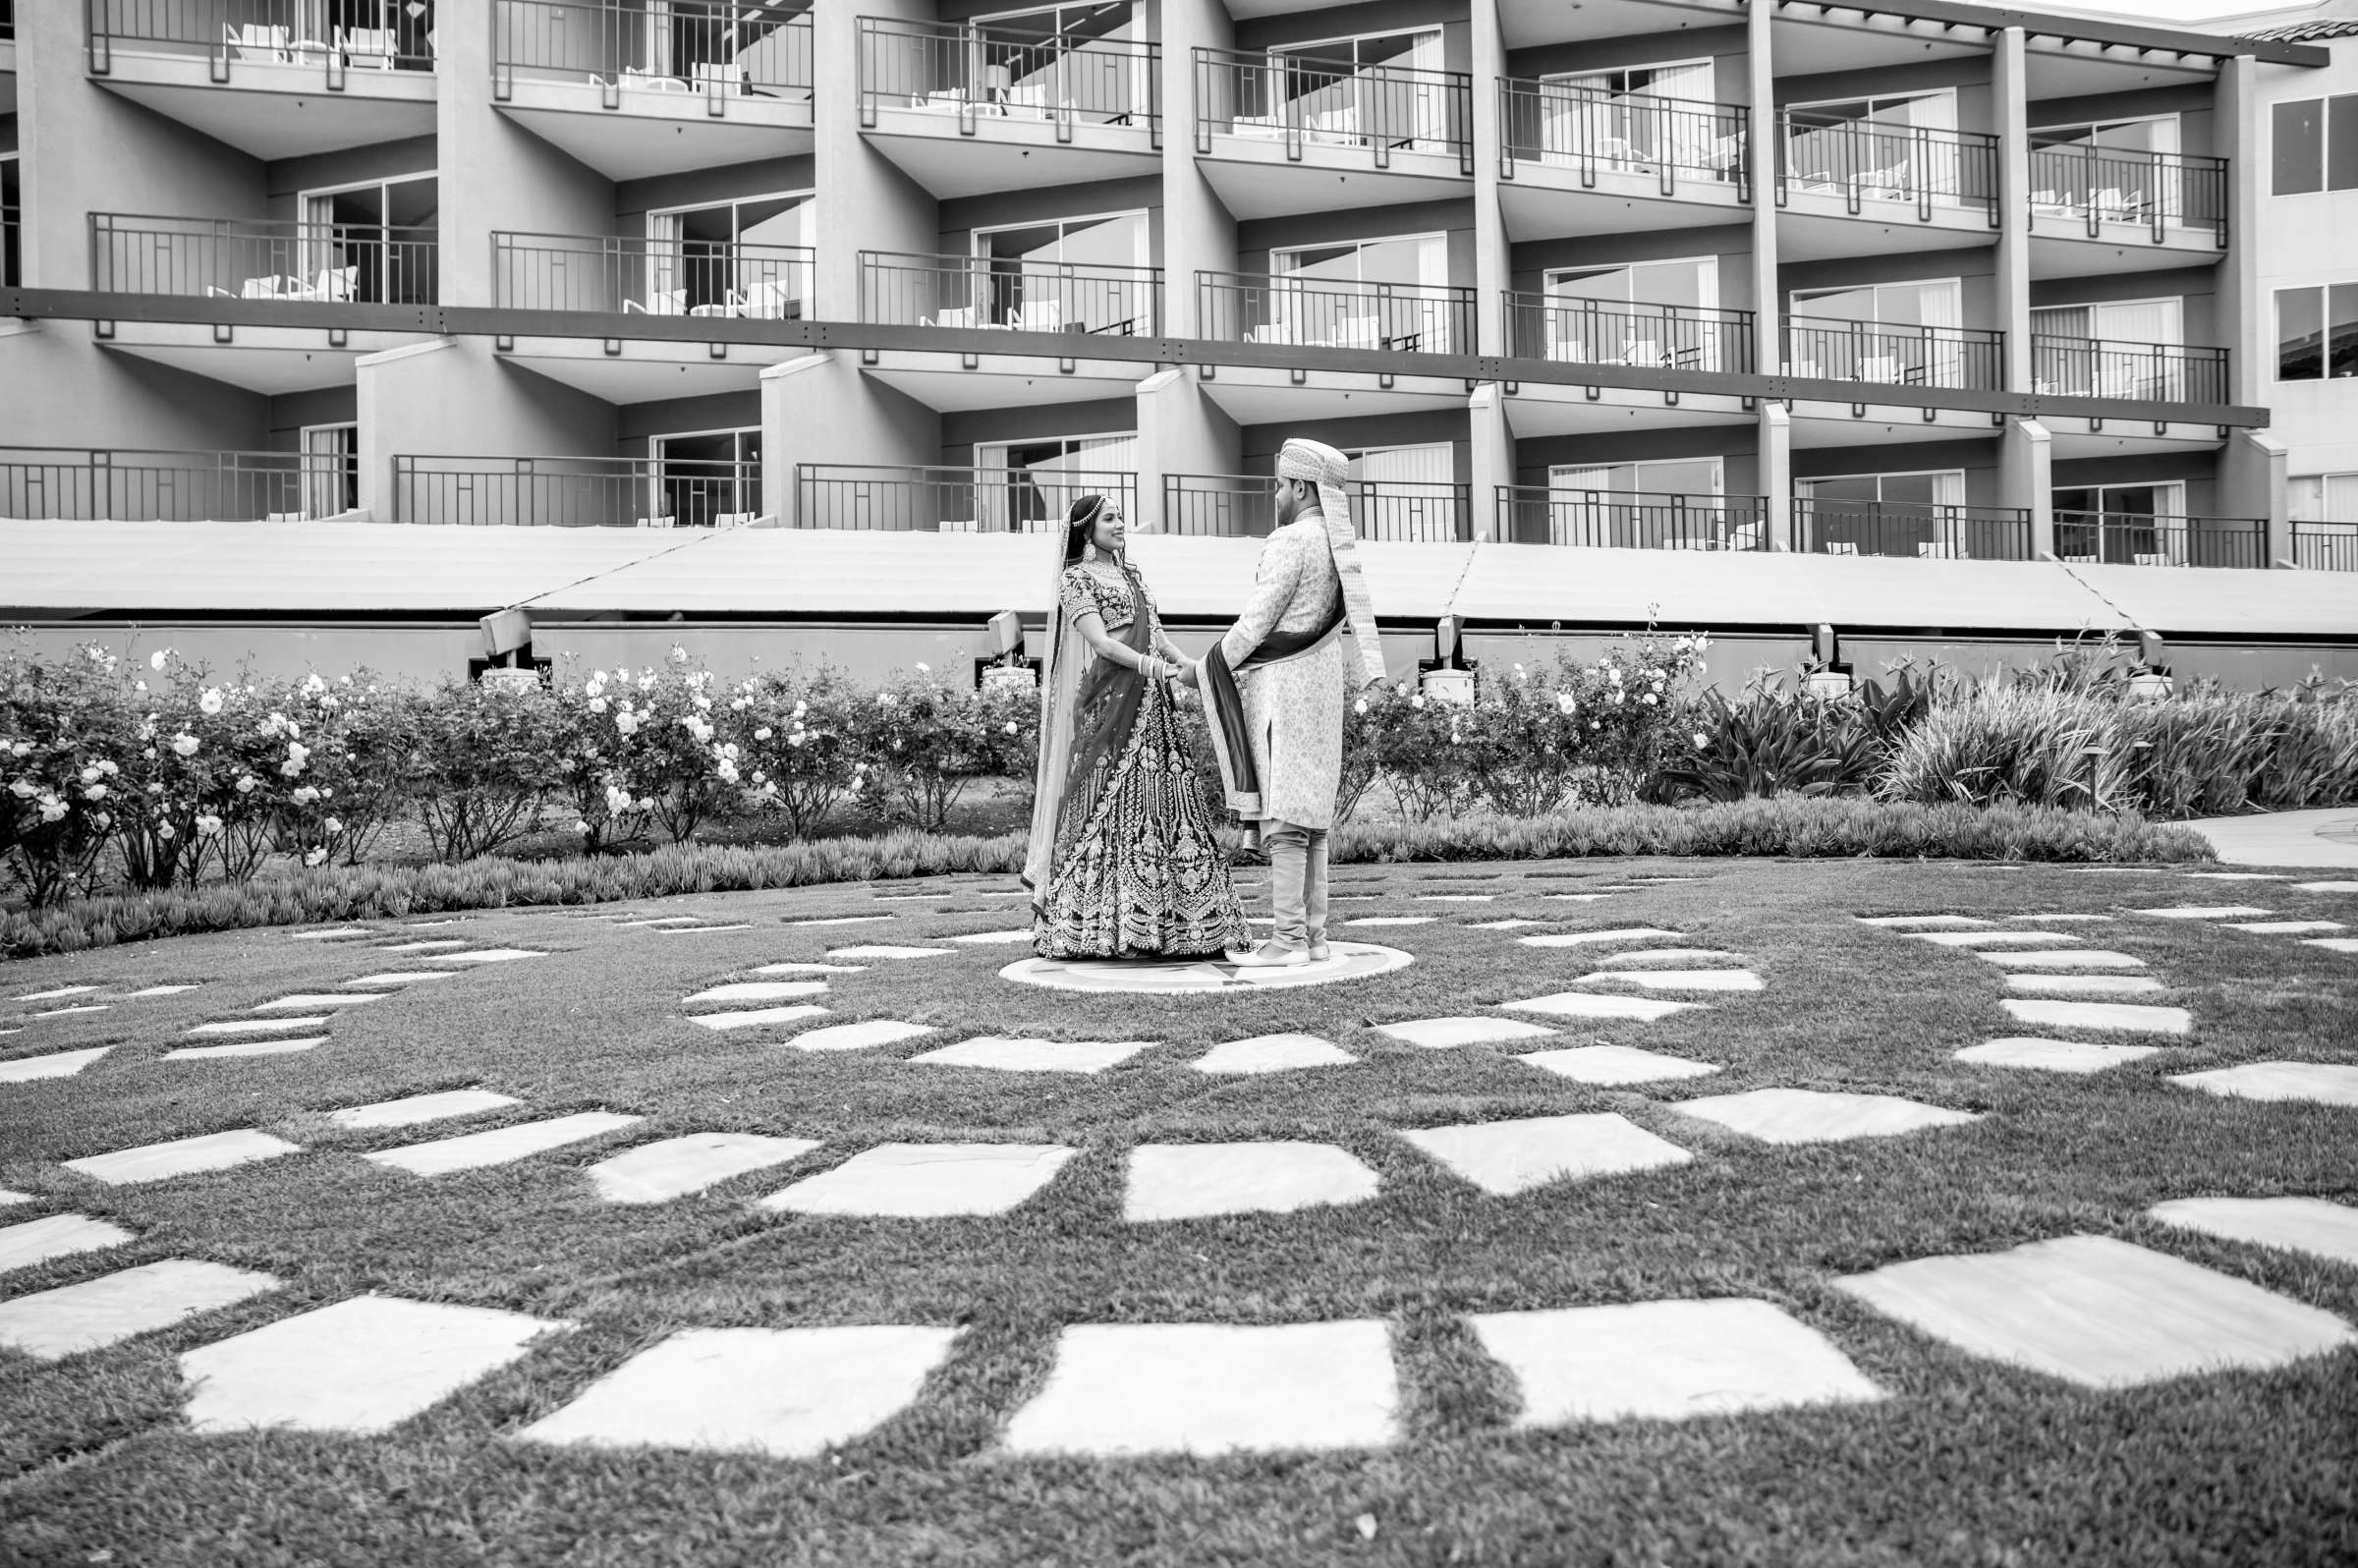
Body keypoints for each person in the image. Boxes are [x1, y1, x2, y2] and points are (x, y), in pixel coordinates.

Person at [1026, 494, 1250, 960]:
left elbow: (1159, 637)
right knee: (1109, 808)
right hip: (1110, 703)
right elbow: (1102, 643)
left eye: (1122, 516)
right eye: (1110, 518)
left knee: (1168, 804)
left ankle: (1182, 926)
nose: (1121, 524)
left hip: (1154, 707)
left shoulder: (1134, 577)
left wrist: (1196, 667)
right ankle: (1103, 926)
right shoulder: (1076, 580)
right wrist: (1157, 669)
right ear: (1087, 531)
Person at [1195, 438, 1387, 967]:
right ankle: (1315, 938)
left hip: (1282, 692)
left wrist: (1203, 668)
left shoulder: (1291, 540)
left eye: (1281, 485)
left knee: (1285, 820)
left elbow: (1257, 622)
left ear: (1301, 488)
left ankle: (1286, 940)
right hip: (1323, 695)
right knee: (1312, 820)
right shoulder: (1340, 545)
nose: (1277, 495)